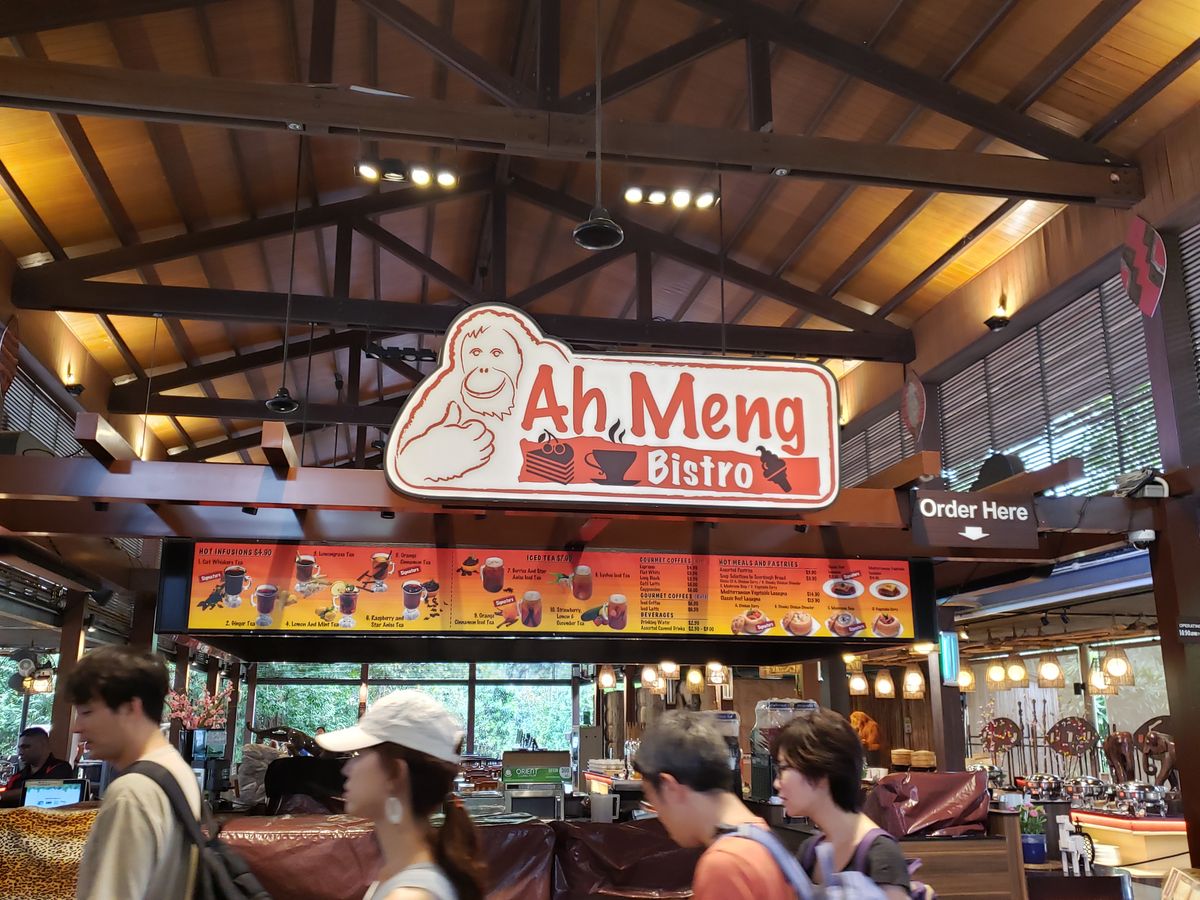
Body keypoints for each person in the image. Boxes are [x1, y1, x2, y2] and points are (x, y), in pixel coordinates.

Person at [316, 690, 487, 900]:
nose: (347, 768)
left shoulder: (410, 894)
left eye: (360, 754)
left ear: (395, 774)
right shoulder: (402, 873)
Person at [68, 646, 201, 900]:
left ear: (131, 708)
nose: (77, 727)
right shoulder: (176, 769)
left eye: (86, 712)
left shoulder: (133, 791)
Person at [633, 710, 795, 900]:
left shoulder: (724, 865)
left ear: (669, 787)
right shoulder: (762, 836)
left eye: (654, 803)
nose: (661, 818)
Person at [773, 708, 911, 899]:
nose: (777, 783)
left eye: (783, 769)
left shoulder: (881, 853)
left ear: (821, 773)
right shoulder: (810, 851)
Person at [0, 727, 74, 806]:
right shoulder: (17, 777)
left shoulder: (61, 768)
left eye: (26, 747)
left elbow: (44, 790)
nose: (20, 752)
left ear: (43, 745)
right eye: (20, 748)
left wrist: (4, 795)